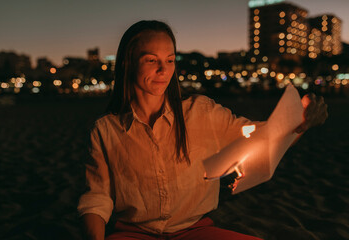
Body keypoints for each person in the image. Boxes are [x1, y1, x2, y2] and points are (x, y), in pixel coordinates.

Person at [78, 20, 328, 240]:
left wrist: (302, 121)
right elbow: (97, 198)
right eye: (151, 60)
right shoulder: (105, 130)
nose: (163, 70)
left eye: (169, 60)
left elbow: (266, 136)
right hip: (133, 233)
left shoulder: (202, 112)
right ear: (127, 63)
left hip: (194, 230)